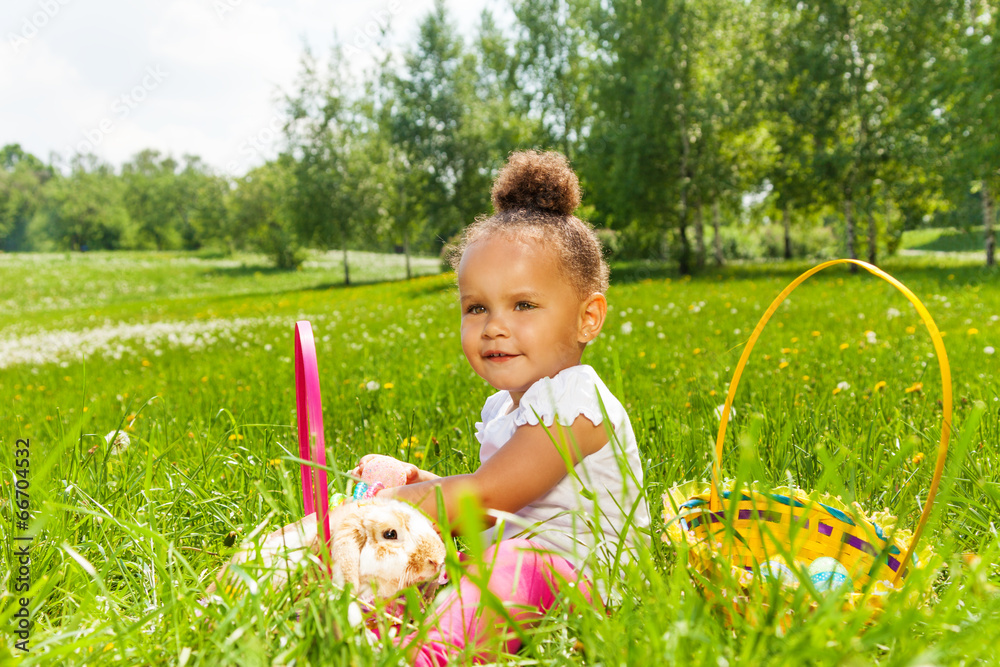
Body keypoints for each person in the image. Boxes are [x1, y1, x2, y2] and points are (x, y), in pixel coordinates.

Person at [353, 149, 650, 666]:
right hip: (517, 559)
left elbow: (488, 495)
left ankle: (430, 653)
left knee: (505, 568)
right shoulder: (503, 408)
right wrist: (418, 481)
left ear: (588, 318)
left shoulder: (577, 402)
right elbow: (491, 511)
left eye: (524, 305)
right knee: (449, 563)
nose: (494, 326)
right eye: (477, 307)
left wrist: (392, 504)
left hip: (585, 576)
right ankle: (369, 622)